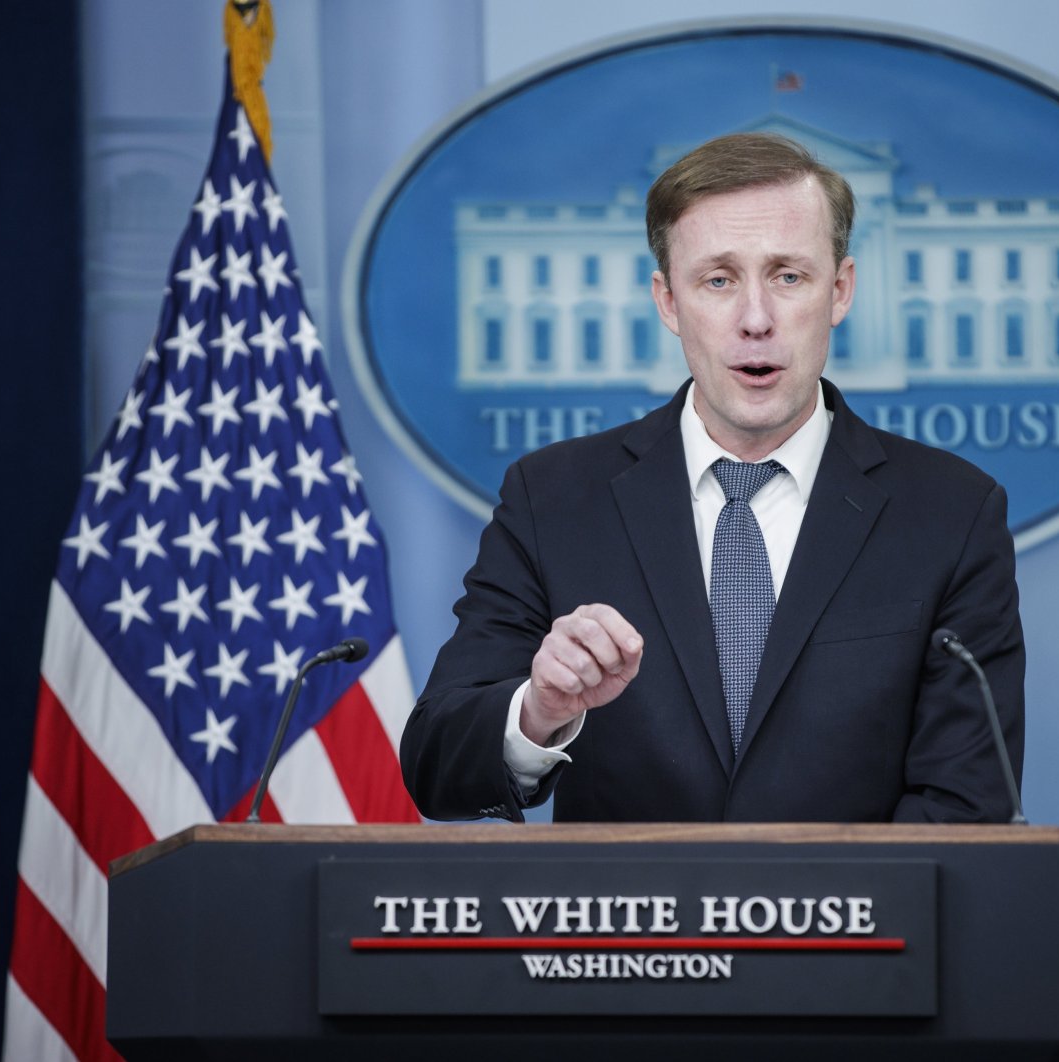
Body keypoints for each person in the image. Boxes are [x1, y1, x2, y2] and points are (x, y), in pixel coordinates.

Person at [401, 132, 1025, 823]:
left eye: (788, 276)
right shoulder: (552, 499)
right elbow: (435, 765)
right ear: (668, 302)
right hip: (628, 931)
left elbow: (967, 804)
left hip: (862, 931)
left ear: (839, 291)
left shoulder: (952, 514)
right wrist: (540, 710)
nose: (755, 320)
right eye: (718, 280)